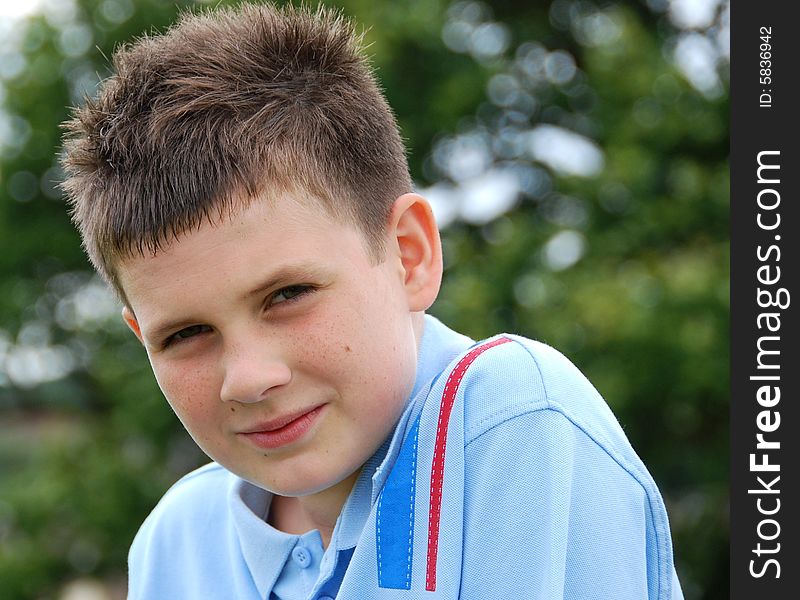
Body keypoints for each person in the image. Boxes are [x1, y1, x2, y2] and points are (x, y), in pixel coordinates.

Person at [60, 3, 683, 599]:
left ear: (409, 256)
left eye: (288, 294)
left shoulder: (512, 419)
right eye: (185, 335)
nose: (247, 379)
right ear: (141, 337)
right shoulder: (176, 543)